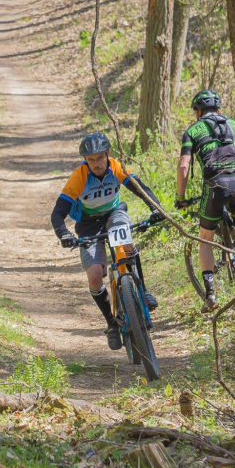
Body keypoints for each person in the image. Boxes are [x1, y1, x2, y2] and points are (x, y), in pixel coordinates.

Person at [51, 132, 163, 351]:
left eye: (100, 158)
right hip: (88, 224)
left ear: (107, 154)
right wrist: (64, 233)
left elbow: (141, 189)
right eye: (91, 160)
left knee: (125, 248)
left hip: (114, 214)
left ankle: (142, 290)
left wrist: (156, 208)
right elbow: (58, 213)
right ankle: (112, 324)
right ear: (85, 161)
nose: (96, 164)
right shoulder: (79, 176)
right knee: (94, 275)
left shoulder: (116, 167)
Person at [174, 90, 235, 311]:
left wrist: (180, 198)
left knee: (206, 239)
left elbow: (184, 166)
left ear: (197, 112)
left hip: (216, 185)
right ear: (220, 110)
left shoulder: (192, 130)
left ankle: (211, 295)